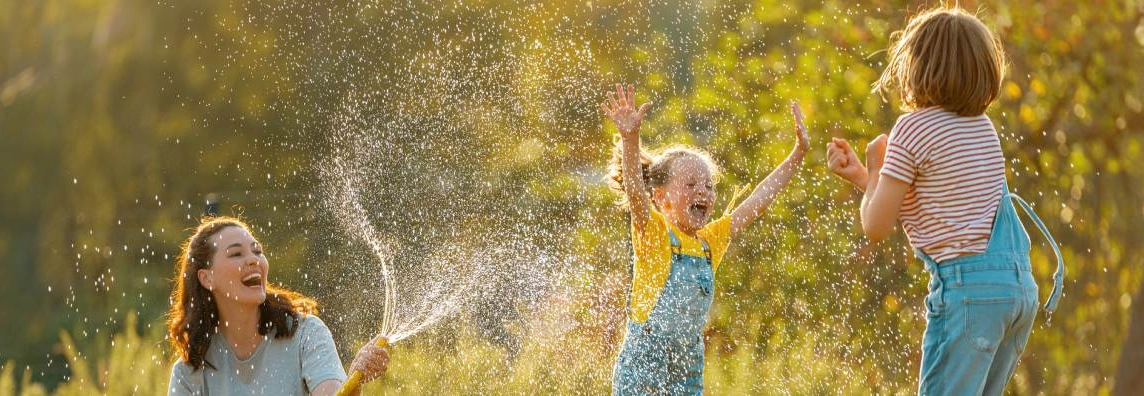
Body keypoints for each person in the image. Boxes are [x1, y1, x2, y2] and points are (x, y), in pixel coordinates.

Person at [825, 7, 1064, 395]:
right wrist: (862, 179)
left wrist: (873, 161)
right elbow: (933, 204)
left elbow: (876, 224)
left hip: (968, 296)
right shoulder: (983, 129)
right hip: (1016, 291)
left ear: (916, 66)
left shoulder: (912, 127)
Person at [602, 83, 809, 394]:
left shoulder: (710, 241)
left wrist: (797, 155)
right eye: (690, 184)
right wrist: (631, 139)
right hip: (642, 372)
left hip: (686, 371)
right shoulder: (654, 231)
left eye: (709, 186)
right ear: (662, 198)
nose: (703, 191)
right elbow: (634, 190)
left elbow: (757, 202)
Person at [166, 216, 389, 395]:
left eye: (257, 251)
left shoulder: (306, 333)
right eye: (236, 254)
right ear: (207, 278)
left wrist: (354, 381)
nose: (254, 260)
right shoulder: (189, 374)